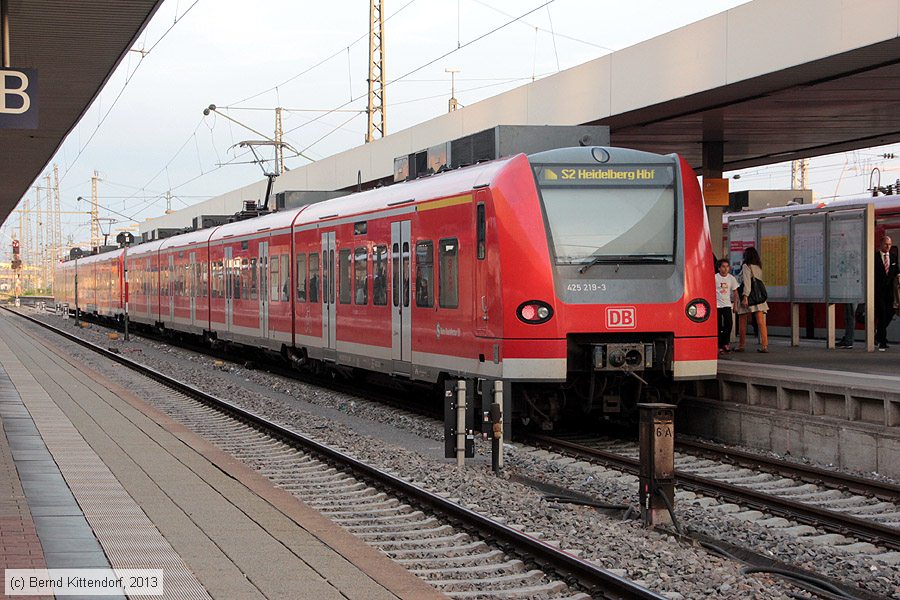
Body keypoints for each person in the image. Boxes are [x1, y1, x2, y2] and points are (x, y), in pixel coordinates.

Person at [735, 246, 769, 353]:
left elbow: (747, 283)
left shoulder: (746, 266)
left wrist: (745, 297)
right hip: (758, 299)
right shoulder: (758, 267)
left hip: (749, 297)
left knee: (742, 321)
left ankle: (741, 345)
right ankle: (764, 345)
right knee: (761, 323)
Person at [874, 235, 899, 351]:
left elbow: (896, 272)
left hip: (889, 293)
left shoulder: (893, 258)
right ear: (881, 244)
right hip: (878, 292)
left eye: (889, 244)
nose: (888, 246)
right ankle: (882, 341)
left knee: (890, 313)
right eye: (886, 244)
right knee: (882, 315)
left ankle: (878, 335)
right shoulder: (874, 258)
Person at [715, 258, 739, 353]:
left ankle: (726, 342)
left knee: (729, 324)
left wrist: (735, 304)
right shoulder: (715, 277)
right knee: (718, 325)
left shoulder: (731, 278)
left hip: (727, 304)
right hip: (717, 305)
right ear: (719, 268)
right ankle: (720, 345)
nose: (725, 269)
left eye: (727, 267)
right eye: (723, 267)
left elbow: (735, 292)